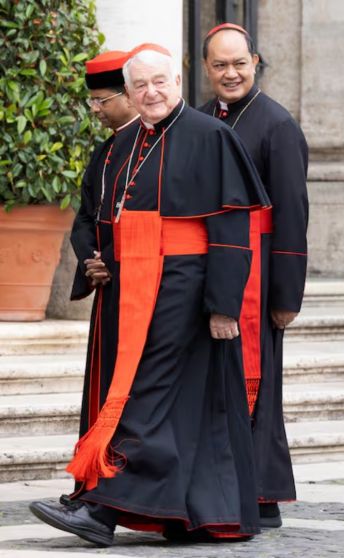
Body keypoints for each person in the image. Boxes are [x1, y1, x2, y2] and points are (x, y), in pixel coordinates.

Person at [28, 43, 269, 546]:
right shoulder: (124, 142)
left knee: (147, 397)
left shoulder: (211, 136)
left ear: (178, 83)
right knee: (170, 403)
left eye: (159, 82)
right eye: (140, 86)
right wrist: (100, 260)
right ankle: (185, 513)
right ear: (130, 94)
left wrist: (225, 305)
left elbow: (230, 229)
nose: (151, 93)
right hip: (133, 287)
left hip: (185, 286)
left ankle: (102, 510)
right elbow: (107, 217)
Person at [198, 22, 310, 529]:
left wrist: (286, 295)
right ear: (205, 69)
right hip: (211, 271)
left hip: (259, 277)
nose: (230, 73)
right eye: (220, 65)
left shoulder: (277, 124)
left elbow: (292, 214)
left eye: (239, 63)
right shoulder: (199, 120)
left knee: (258, 389)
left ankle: (260, 494)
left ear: (256, 61)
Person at [65, 51, 139, 505]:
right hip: (107, 288)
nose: (95, 110)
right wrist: (92, 259)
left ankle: (114, 489)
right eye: (90, 102)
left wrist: (111, 259)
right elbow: (86, 217)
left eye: (102, 100)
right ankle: (89, 484)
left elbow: (149, 219)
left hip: (139, 288)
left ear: (129, 95)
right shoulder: (106, 149)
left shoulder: (152, 144)